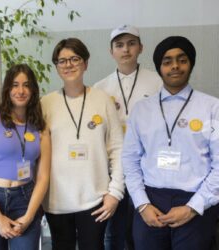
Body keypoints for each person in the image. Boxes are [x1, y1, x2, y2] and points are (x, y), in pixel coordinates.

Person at [122, 36, 219, 250]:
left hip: (195, 200)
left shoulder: (212, 107)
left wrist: (193, 207)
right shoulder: (142, 109)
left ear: (190, 63)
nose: (175, 66)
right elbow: (130, 160)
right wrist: (142, 203)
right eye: (167, 61)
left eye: (181, 60)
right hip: (150, 201)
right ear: (159, 67)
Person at [41, 37, 124, 250]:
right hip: (56, 201)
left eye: (74, 59)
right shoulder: (45, 104)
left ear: (85, 63)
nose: (68, 65)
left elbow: (118, 149)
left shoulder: (103, 100)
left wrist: (115, 193)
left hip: (95, 199)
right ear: (57, 67)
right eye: (62, 61)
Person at [94, 24, 162, 250]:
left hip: (147, 168)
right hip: (114, 170)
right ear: (111, 51)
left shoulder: (157, 82)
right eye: (119, 45)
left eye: (131, 44)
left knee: (143, 230)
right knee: (114, 232)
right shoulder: (100, 88)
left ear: (141, 47)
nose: (126, 50)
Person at [0, 64, 51, 250]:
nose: (20, 91)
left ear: (33, 90)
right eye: (15, 85)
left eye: (26, 85)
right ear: (8, 89)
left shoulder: (41, 127)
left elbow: (43, 177)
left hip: (25, 201)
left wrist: (30, 216)